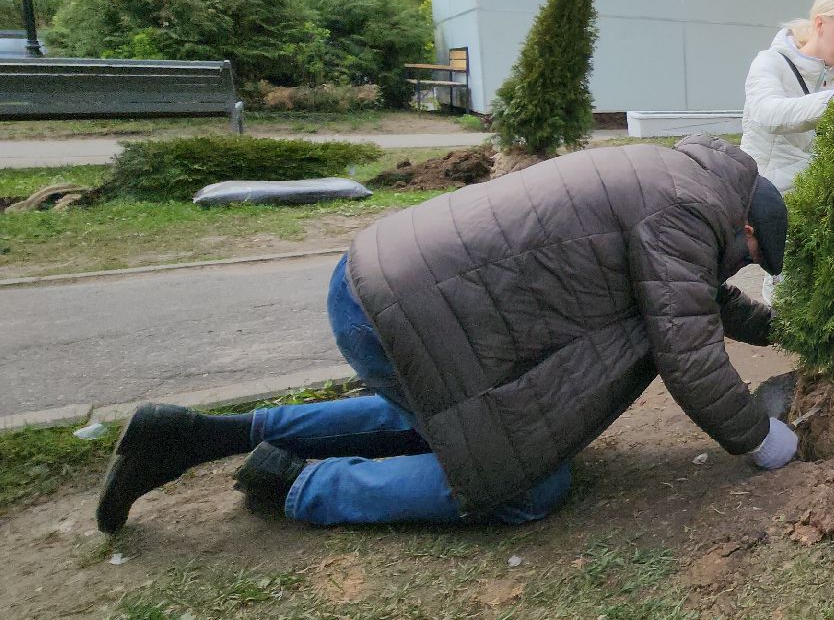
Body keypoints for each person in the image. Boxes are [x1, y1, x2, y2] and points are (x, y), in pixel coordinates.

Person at [94, 136, 798, 532]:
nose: (741, 266)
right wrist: (761, 441)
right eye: (751, 255)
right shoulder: (685, 213)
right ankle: (300, 484)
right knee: (526, 484)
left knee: (433, 420)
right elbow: (686, 350)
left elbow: (695, 302)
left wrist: (789, 331)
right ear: (744, 226)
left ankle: (202, 435)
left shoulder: (675, 180)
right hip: (404, 317)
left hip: (381, 286)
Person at [743, 0, 834, 302]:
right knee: (786, 290)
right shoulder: (770, 62)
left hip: (820, 197)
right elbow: (768, 113)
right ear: (820, 23)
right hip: (774, 198)